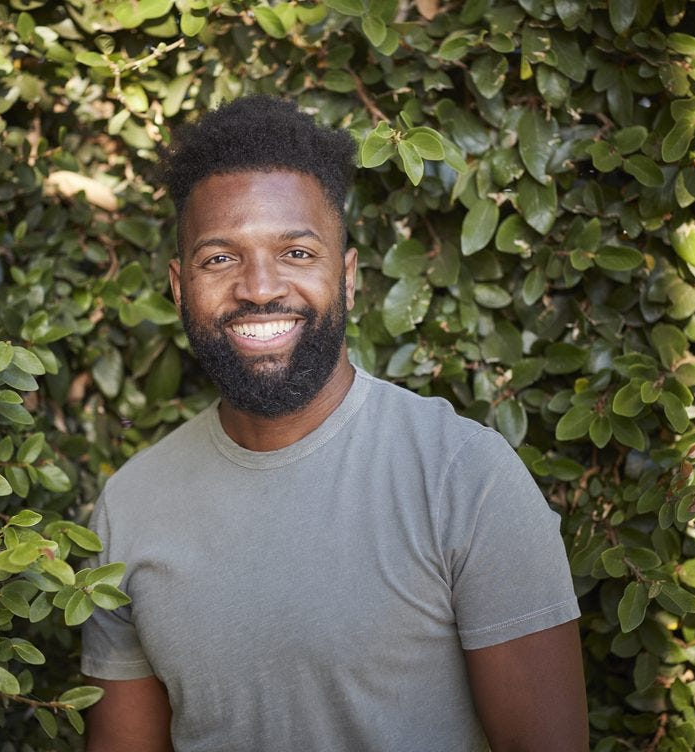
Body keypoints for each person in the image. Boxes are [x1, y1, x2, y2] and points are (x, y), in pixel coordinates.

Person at [81, 95, 588, 752]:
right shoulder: (131, 505)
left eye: (296, 252)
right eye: (219, 258)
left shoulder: (465, 478)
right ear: (179, 287)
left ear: (347, 276)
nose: (260, 288)